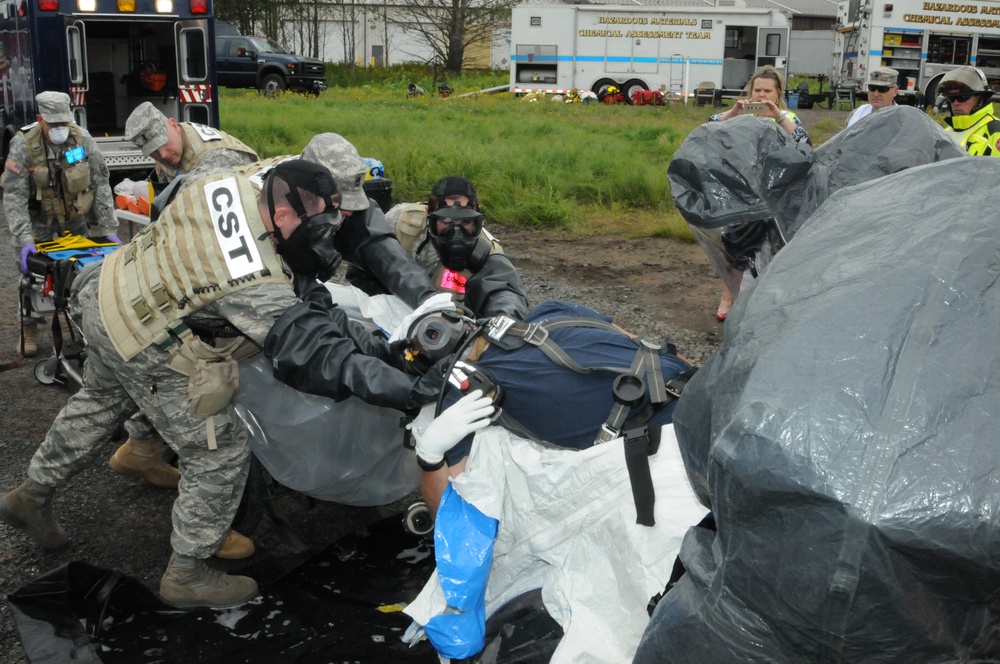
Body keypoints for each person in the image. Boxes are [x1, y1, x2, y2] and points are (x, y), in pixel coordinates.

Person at [0, 159, 442, 609]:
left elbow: (311, 301)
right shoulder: (250, 278)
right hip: (144, 337)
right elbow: (315, 356)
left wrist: (381, 348)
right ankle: (187, 574)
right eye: (321, 231)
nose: (326, 241)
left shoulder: (227, 177)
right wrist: (407, 390)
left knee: (98, 401)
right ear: (287, 217)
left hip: (109, 298)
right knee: (219, 450)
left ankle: (30, 494)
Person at [105, 102, 260, 509]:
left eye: (164, 148)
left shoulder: (218, 158)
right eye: (154, 154)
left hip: (233, 266)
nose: (163, 157)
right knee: (169, 358)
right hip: (201, 264)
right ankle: (142, 445)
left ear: (174, 125)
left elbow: (219, 228)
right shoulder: (174, 152)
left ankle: (152, 447)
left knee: (201, 361)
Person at [403, 299, 695, 515]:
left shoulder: (469, 393)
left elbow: (448, 515)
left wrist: (430, 457)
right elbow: (645, 345)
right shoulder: (551, 310)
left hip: (673, 446)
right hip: (699, 387)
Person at [2, 91, 118, 357]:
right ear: (40, 119)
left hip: (75, 222)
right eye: (53, 124)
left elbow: (101, 185)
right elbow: (13, 196)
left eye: (63, 123)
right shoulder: (23, 144)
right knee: (33, 276)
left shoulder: (82, 139)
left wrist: (110, 229)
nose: (59, 129)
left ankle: (85, 325)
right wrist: (24, 239)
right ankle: (29, 328)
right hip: (39, 223)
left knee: (82, 273)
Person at [706, 66, 810, 321]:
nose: (761, 95)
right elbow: (707, 129)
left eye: (767, 90)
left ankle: (764, 300)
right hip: (741, 190)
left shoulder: (787, 116)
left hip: (775, 192)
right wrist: (734, 112)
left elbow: (804, 143)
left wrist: (779, 118)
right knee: (734, 245)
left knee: (771, 247)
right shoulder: (740, 115)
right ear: (750, 91)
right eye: (757, 90)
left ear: (777, 94)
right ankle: (728, 295)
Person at [300, 133, 438, 310]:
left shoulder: (354, 211)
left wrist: (430, 301)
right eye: (338, 204)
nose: (349, 211)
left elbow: (390, 258)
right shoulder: (264, 209)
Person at [382, 175, 529, 320]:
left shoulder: (487, 252)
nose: (456, 232)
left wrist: (505, 318)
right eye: (446, 221)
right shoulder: (401, 222)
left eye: (465, 222)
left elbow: (504, 291)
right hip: (389, 312)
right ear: (429, 213)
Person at [125, 101, 259, 182]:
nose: (162, 155)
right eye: (153, 151)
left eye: (163, 143)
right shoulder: (170, 148)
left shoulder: (214, 157)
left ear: (174, 125)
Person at [936, 66, 1000, 156]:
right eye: (951, 98)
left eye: (962, 97)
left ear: (980, 98)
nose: (956, 103)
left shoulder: (995, 132)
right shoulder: (945, 133)